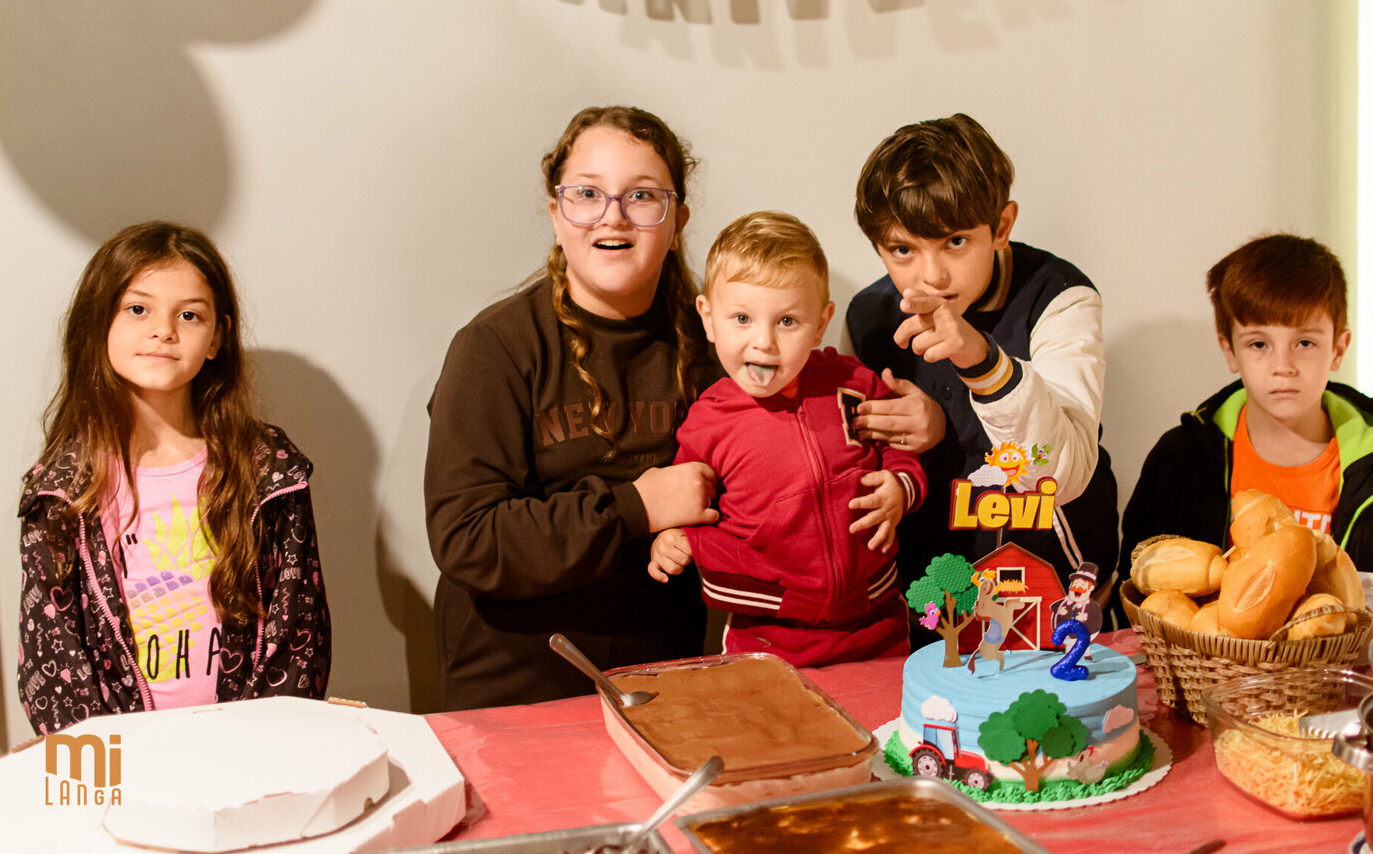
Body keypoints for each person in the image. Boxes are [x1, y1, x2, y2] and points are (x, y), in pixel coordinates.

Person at [425, 106, 718, 709]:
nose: (612, 217)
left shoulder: (718, 337)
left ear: (677, 219)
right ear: (557, 214)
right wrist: (638, 507)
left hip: (669, 668)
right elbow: (468, 538)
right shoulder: (495, 349)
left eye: (641, 196)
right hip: (518, 676)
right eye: (587, 194)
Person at [18, 222, 330, 734]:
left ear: (217, 338)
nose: (164, 329)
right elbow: (52, 666)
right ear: (100, 324)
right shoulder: (60, 489)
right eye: (138, 308)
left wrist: (260, 752)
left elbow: (300, 636)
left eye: (189, 315)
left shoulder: (267, 469)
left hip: (251, 756)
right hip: (122, 769)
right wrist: (109, 785)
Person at [845, 114, 1120, 633]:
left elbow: (1065, 471)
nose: (932, 275)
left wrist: (982, 362)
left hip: (1059, 596)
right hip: (934, 605)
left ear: (1002, 226)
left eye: (954, 242)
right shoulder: (868, 315)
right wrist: (906, 444)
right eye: (903, 250)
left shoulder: (1060, 298)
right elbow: (857, 470)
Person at [647, 212, 927, 666]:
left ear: (821, 323)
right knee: (776, 733)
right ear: (709, 319)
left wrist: (900, 486)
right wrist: (673, 538)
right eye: (741, 318)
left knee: (888, 733)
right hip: (767, 637)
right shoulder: (707, 422)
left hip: (877, 623)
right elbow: (687, 504)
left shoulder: (852, 384)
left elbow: (900, 447)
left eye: (788, 321)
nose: (764, 343)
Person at [1120, 234, 1373, 577]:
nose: (1283, 365)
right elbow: (1137, 590)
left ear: (1338, 350)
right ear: (1229, 351)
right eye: (1258, 344)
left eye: (1305, 342)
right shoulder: (1179, 461)